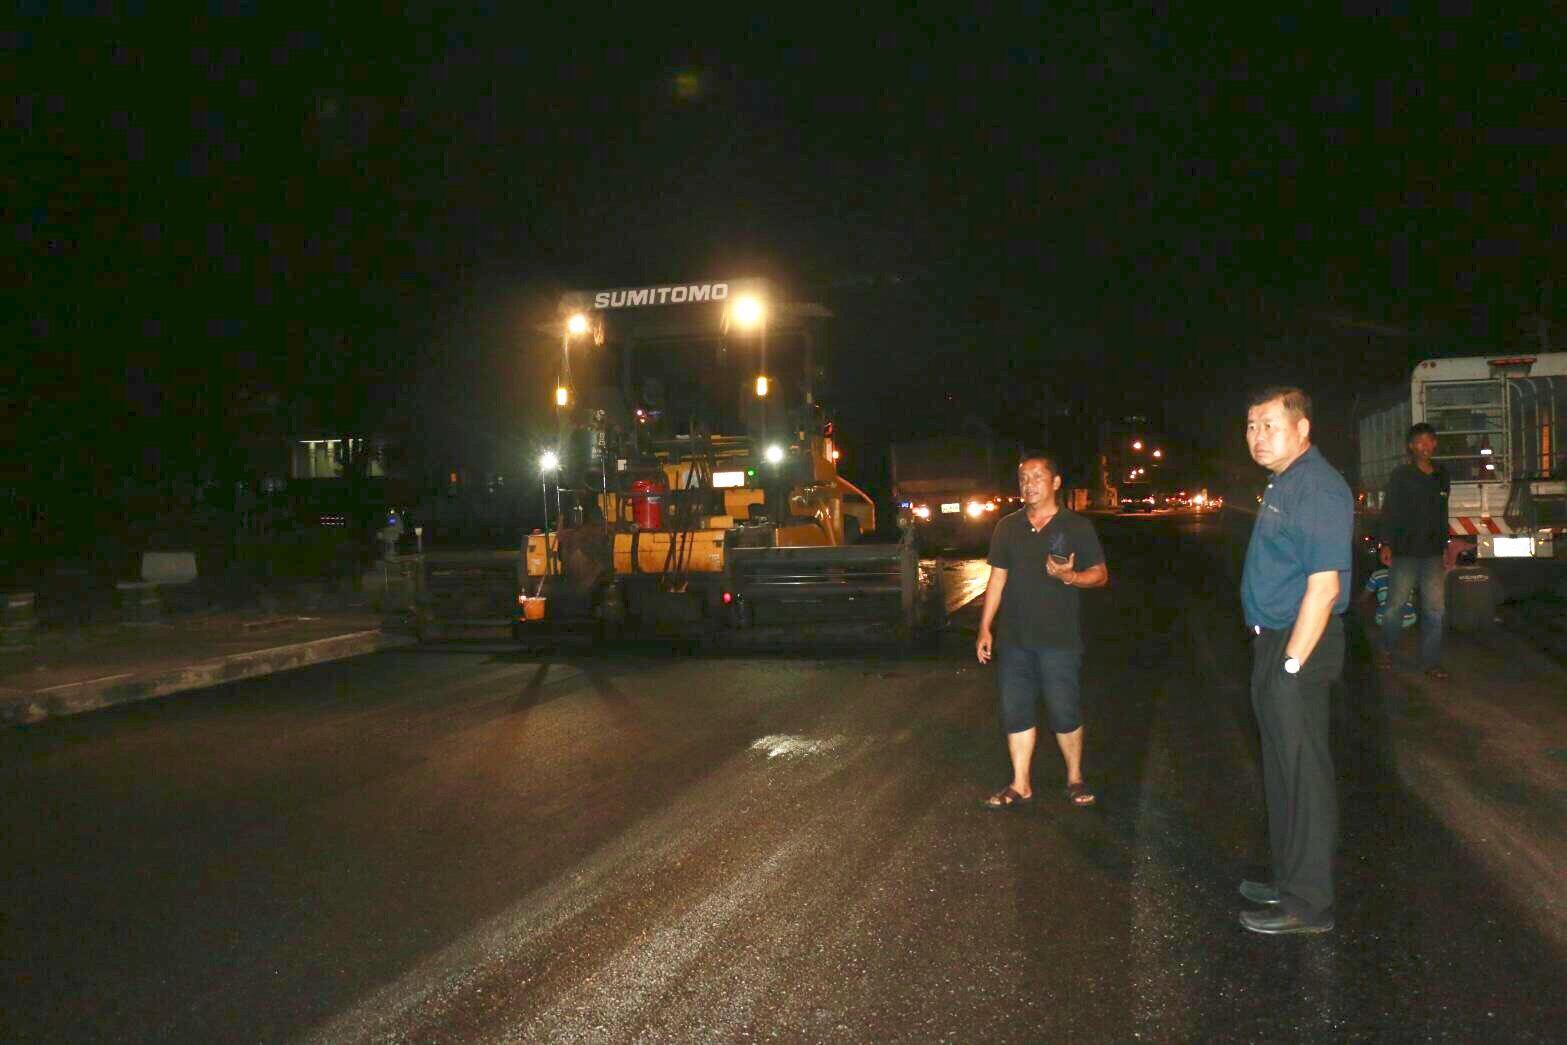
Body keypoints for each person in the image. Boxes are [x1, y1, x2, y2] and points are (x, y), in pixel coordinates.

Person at [1238, 387, 1352, 935]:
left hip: (1299, 645)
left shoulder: (1318, 487)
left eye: (1269, 425)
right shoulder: (1285, 481)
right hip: (1275, 642)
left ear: (1302, 429)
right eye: (1251, 426)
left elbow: (1324, 588)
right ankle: (1288, 880)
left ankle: (1309, 903)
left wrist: (1289, 665)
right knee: (1282, 769)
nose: (1257, 437)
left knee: (1304, 773)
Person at [976, 454, 1109, 810]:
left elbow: (1100, 574)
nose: (1029, 484)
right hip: (1014, 639)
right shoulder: (1007, 527)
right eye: (1023, 478)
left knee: (1064, 710)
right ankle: (1020, 784)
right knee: (1016, 710)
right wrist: (985, 627)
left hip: (1059, 639)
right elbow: (997, 580)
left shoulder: (1076, 526)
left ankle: (1075, 778)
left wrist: (1070, 576)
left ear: (1056, 482)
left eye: (1037, 476)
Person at [1377, 422, 1450, 679]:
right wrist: (1386, 543)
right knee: (1395, 606)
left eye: (1429, 440)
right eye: (1419, 441)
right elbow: (1390, 510)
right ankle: (1387, 650)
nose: (1424, 446)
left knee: (1435, 610)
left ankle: (1431, 662)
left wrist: (1445, 546)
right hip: (1404, 551)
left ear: (1435, 443)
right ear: (1411, 446)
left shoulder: (1442, 475)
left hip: (1432, 552)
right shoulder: (1401, 475)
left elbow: (1442, 513)